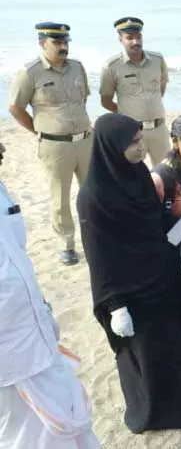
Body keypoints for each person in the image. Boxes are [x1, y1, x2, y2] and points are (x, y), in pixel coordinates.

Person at [76, 113, 181, 434]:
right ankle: (161, 412)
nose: (141, 147)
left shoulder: (139, 174)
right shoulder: (93, 197)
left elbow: (157, 220)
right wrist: (115, 305)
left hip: (163, 273)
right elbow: (99, 256)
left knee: (180, 339)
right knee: (152, 352)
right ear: (112, 148)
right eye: (133, 143)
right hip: (131, 289)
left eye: (141, 139)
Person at [0, 143, 100, 449]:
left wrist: (41, 310)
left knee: (65, 412)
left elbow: (16, 258)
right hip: (9, 352)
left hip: (34, 327)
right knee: (25, 431)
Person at [8, 22, 92, 266]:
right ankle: (67, 245)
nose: (63, 46)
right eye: (57, 42)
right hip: (55, 147)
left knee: (92, 193)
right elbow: (15, 107)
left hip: (85, 141)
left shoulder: (77, 68)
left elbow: (83, 99)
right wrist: (39, 130)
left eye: (65, 42)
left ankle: (94, 238)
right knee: (60, 198)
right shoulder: (30, 72)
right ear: (42, 43)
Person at [100, 17, 170, 167]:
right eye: (129, 38)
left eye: (138, 37)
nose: (135, 42)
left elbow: (161, 89)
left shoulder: (157, 60)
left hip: (159, 129)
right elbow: (105, 100)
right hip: (132, 132)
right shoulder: (112, 66)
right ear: (120, 39)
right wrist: (126, 114)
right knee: (132, 173)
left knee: (167, 171)